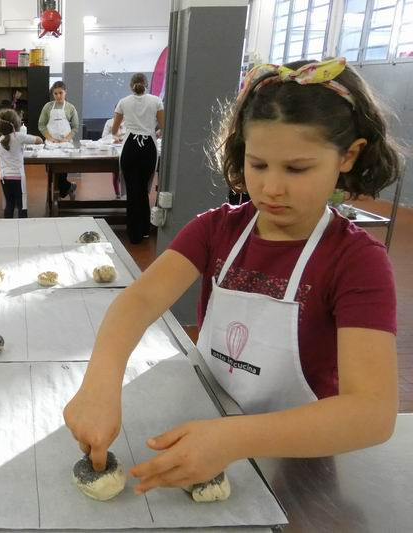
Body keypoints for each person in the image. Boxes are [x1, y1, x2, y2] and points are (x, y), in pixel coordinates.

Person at [63, 58, 402, 494]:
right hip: (205, 426)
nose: (272, 187)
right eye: (258, 165)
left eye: (297, 169)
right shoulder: (217, 230)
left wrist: (235, 438)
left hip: (296, 456)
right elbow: (139, 301)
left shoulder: (356, 260)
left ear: (348, 156)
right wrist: (101, 381)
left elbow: (371, 414)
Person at [111, 73, 165, 243]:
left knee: (132, 191)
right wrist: (155, 132)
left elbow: (114, 130)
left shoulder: (123, 102)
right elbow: (163, 127)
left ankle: (133, 233)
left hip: (130, 148)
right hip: (148, 148)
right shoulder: (156, 101)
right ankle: (144, 229)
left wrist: (118, 135)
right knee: (142, 190)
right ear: (146, 84)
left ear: (131, 86)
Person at [0, 109, 42, 218]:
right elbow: (39, 140)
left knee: (9, 204)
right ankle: (22, 228)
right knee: (22, 205)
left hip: (4, 177)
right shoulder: (19, 137)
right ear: (16, 123)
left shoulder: (2, 138)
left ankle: (8, 227)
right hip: (17, 177)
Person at [38, 81, 80, 200]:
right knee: (51, 171)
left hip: (65, 144)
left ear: (65, 92)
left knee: (62, 170)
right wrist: (49, 138)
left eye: (60, 93)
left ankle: (61, 191)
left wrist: (67, 139)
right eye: (55, 93)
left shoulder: (70, 108)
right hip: (51, 144)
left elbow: (75, 126)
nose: (58, 96)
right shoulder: (47, 107)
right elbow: (41, 125)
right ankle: (68, 187)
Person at [101, 108, 127, 199]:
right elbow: (103, 137)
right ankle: (117, 193)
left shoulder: (129, 123)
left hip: (125, 150)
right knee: (115, 170)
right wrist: (112, 137)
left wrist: (122, 138)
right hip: (112, 150)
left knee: (126, 171)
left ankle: (126, 193)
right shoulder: (109, 122)